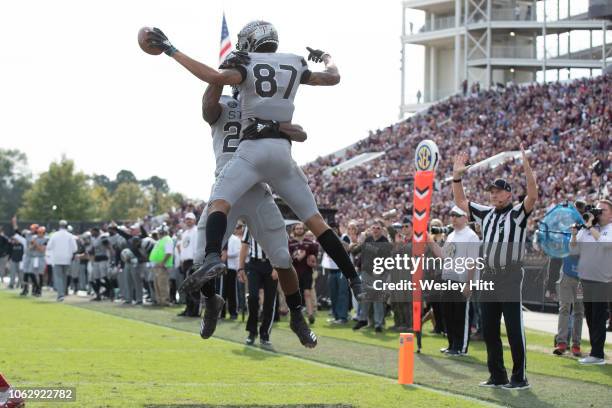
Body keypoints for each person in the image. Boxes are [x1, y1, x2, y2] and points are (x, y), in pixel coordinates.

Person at [146, 22, 364, 302]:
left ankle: (213, 258)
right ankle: (354, 279)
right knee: (316, 222)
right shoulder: (293, 63)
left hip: (250, 157)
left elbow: (212, 75)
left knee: (218, 204)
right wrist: (326, 57)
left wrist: (171, 49)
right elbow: (332, 78)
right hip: (282, 156)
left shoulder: (245, 67)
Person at [187, 80, 316, 348]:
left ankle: (296, 314)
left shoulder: (265, 110)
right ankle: (212, 303)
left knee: (282, 257)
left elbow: (294, 135)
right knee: (201, 261)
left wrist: (286, 131)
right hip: (226, 187)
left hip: (257, 188)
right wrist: (217, 76)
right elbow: (208, 107)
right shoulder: (224, 103)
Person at [452, 144, 537, 390]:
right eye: (492, 192)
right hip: (488, 275)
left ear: (509, 194)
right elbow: (460, 200)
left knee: (513, 328)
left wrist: (527, 168)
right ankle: (497, 375)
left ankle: (519, 377)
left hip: (509, 275)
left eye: (499, 192)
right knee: (489, 328)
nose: (494, 196)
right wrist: (457, 176)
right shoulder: (486, 213)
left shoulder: (518, 214)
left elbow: (532, 196)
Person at [428, 206, 480, 356]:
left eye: (457, 215)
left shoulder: (471, 236)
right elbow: (444, 256)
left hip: (462, 280)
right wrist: (430, 241)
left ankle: (461, 347)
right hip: (448, 278)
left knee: (461, 315)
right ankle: (452, 344)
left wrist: (469, 284)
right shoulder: (451, 235)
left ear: (465, 217)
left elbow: (472, 262)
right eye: (451, 215)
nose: (453, 218)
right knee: (448, 313)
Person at [570, 199, 612, 365]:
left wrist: (590, 227)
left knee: (599, 316)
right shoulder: (588, 228)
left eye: (603, 210)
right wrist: (574, 234)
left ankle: (598, 354)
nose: (598, 212)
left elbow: (604, 244)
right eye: (597, 209)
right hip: (585, 279)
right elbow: (573, 249)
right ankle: (594, 351)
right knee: (590, 316)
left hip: (603, 280)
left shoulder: (608, 229)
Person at [239, 225, 278, 346]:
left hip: (271, 264)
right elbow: (244, 246)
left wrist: (277, 267)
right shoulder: (250, 225)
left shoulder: (275, 222)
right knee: (252, 297)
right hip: (254, 264)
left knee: (269, 301)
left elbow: (281, 247)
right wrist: (240, 268)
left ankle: (265, 334)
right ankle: (252, 331)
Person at [553, 208, 584, 356]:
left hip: (582, 278)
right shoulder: (567, 234)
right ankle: (561, 342)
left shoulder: (588, 235)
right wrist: (573, 235)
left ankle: (576, 344)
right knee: (564, 308)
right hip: (566, 275)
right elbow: (572, 251)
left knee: (579, 311)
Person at [353, 220, 389, 333]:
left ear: (382, 230)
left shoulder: (385, 241)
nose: (375, 230)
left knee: (377, 300)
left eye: (378, 228)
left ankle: (378, 324)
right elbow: (361, 254)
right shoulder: (368, 240)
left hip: (379, 274)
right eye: (374, 228)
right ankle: (363, 319)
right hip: (367, 273)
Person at [289, 223, 320, 324]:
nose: (299, 230)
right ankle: (296, 316)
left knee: (307, 293)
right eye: (297, 228)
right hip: (294, 273)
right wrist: (296, 256)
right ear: (294, 230)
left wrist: (312, 259)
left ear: (304, 230)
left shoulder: (310, 242)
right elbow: (288, 257)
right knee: (295, 295)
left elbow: (315, 254)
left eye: (300, 228)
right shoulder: (290, 243)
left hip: (306, 272)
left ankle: (310, 314)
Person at [46, 220, 78, 301]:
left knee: (58, 277)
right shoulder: (70, 236)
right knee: (64, 276)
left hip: (57, 258)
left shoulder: (54, 235)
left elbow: (49, 246)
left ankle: (60, 294)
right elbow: (75, 248)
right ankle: (64, 291)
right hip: (67, 258)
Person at [178, 213, 199, 316]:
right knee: (186, 287)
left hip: (193, 261)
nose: (188, 221)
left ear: (194, 220)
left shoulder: (196, 231)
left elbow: (197, 248)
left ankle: (195, 310)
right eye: (186, 219)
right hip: (186, 262)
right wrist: (181, 260)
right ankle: (188, 308)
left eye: (190, 219)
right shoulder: (184, 233)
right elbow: (183, 248)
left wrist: (196, 262)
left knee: (194, 287)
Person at [221, 223, 243, 319]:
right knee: (222, 292)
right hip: (222, 268)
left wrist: (225, 255)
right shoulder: (222, 239)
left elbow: (237, 252)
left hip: (231, 268)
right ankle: (222, 312)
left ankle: (233, 312)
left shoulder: (235, 239)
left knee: (232, 292)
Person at [149, 225, 173, 307]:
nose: (158, 233)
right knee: (157, 284)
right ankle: (159, 301)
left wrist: (162, 262)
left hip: (162, 265)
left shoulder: (168, 239)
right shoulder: (161, 240)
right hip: (157, 265)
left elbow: (169, 252)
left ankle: (165, 301)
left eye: (159, 232)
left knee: (163, 284)